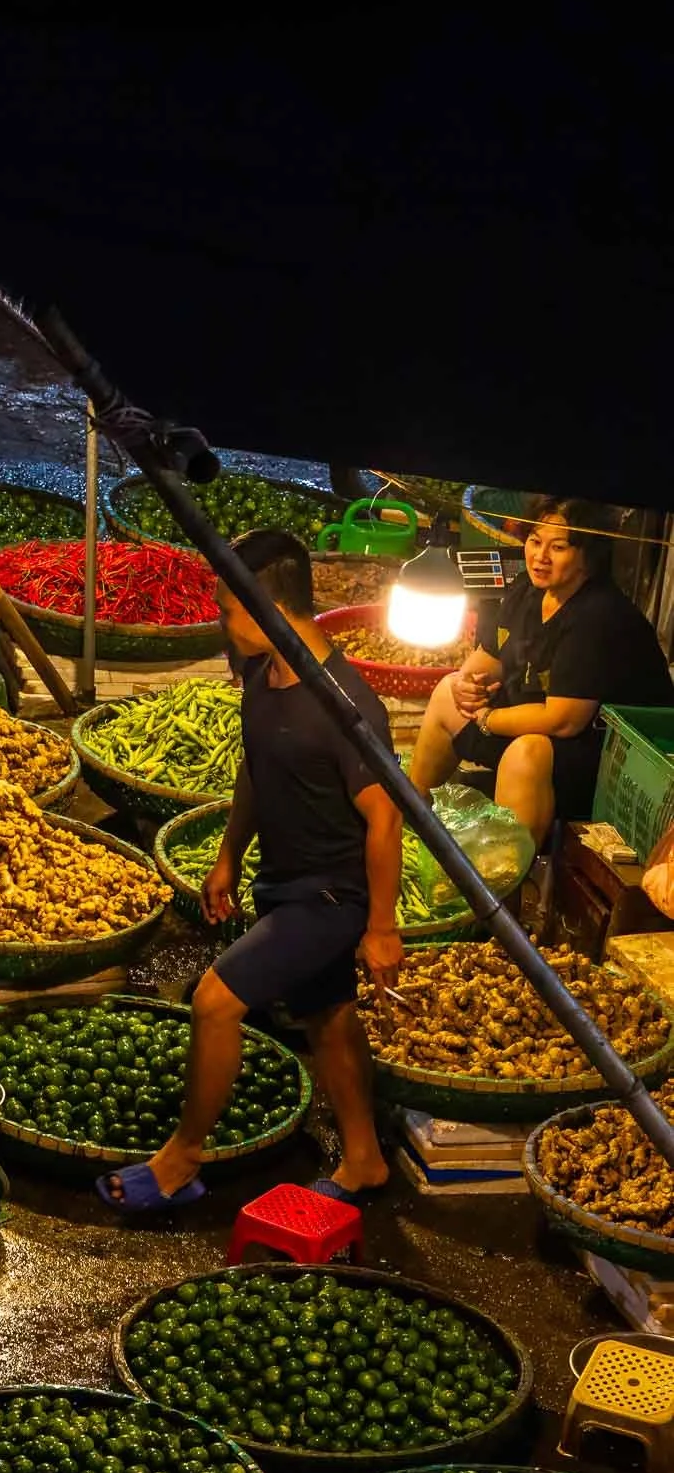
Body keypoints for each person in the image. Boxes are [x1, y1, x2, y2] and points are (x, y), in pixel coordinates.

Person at [99, 533, 400, 1213]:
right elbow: (255, 770)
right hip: (283, 882)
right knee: (328, 1017)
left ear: (270, 607)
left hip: (330, 897)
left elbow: (385, 820)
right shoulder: (264, 676)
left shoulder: (346, 707)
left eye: (229, 609)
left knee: (215, 1000)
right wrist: (229, 856)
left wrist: (381, 928)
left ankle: (181, 1158)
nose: (221, 622)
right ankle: (365, 1160)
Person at [408, 495, 673, 845]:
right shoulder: (528, 592)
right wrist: (467, 687)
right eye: (535, 541)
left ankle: (497, 884)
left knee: (526, 753)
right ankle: (411, 818)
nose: (540, 557)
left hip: (610, 759)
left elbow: (563, 719)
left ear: (588, 556)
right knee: (446, 691)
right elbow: (488, 660)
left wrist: (487, 718)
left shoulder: (599, 617)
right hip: (542, 725)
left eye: (558, 547)